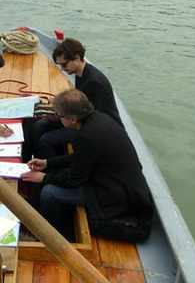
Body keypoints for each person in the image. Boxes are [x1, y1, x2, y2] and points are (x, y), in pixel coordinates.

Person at [21, 89, 152, 242]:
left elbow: (73, 180)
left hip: (114, 194)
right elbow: (79, 157)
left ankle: (58, 237)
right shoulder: (98, 119)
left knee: (49, 192)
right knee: (51, 183)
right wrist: (48, 163)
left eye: (59, 116)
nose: (58, 118)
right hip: (125, 185)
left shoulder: (86, 137)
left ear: (73, 119)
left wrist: (44, 178)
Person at [23, 37, 123, 160]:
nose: (62, 69)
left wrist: (60, 116)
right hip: (82, 119)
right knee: (38, 125)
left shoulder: (95, 82)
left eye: (64, 64)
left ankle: (52, 172)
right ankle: (31, 163)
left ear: (77, 58)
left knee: (46, 140)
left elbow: (93, 117)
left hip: (96, 129)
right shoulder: (81, 74)